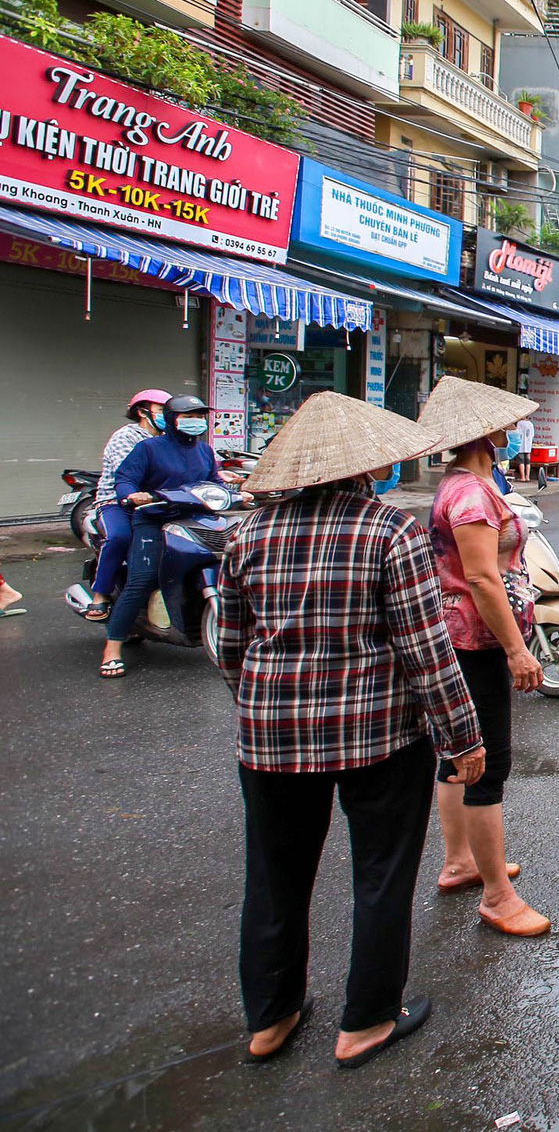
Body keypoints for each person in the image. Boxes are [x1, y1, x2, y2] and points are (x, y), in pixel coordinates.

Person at [216, 391, 485, 1069]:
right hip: (380, 739)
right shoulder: (390, 530)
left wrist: (268, 698)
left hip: (270, 738)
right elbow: (426, 650)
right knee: (381, 874)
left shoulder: (248, 533)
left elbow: (228, 646)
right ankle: (365, 1020)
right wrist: (464, 737)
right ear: (369, 466)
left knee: (273, 878)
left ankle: (270, 1017)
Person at [416, 376, 550, 938]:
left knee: (458, 756)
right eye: (502, 421)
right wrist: (518, 652)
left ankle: (461, 861)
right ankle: (498, 897)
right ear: (482, 431)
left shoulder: (467, 482)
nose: (512, 428)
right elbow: (481, 579)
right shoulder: (470, 494)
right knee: (486, 764)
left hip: (463, 636)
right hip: (476, 640)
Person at [100, 394, 232, 679]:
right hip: (153, 519)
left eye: (199, 417)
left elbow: (215, 482)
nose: (196, 422)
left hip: (195, 518)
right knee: (142, 579)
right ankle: (112, 648)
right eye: (189, 417)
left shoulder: (205, 451)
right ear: (172, 420)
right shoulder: (148, 448)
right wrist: (131, 496)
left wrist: (238, 493)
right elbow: (125, 479)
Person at [83, 388, 170, 622]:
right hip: (117, 502)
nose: (167, 415)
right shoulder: (126, 436)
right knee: (120, 537)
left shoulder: (169, 438)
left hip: (160, 501)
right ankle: (100, 595)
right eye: (162, 410)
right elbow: (129, 473)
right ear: (143, 412)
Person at [509, 418, 535, 484]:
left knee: (521, 461)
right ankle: (527, 477)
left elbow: (517, 433)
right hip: (528, 445)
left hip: (521, 445)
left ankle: (522, 477)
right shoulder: (530, 424)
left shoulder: (519, 423)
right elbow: (532, 435)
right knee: (528, 462)